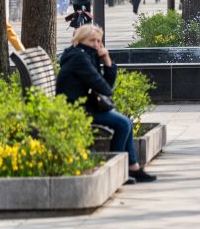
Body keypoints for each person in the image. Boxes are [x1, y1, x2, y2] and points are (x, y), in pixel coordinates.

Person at [55, 25, 156, 183]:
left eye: (98, 41)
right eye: (92, 40)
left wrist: (107, 61)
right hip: (76, 109)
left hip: (85, 106)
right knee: (123, 124)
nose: (96, 44)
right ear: (80, 40)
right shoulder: (80, 58)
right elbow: (105, 88)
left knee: (126, 122)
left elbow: (106, 87)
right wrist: (105, 65)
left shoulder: (85, 55)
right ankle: (117, 171)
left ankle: (133, 168)